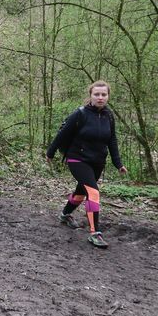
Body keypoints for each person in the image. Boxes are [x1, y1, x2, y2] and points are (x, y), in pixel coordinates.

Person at [46, 80, 127, 248]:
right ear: (90, 95)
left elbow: (112, 140)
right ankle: (95, 233)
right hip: (77, 159)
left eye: (103, 94)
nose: (100, 97)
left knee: (82, 192)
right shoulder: (80, 114)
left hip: (97, 162)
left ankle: (65, 214)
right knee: (93, 192)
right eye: (96, 94)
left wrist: (118, 163)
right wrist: (50, 153)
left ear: (108, 96)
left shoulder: (109, 116)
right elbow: (63, 134)